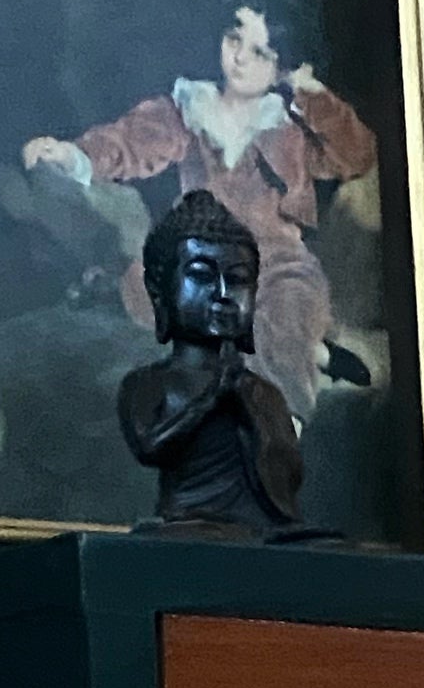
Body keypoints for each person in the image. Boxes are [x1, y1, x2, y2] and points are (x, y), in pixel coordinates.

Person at [23, 5, 372, 420]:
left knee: (291, 302)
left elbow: (355, 157)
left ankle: (282, 418)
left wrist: (312, 94)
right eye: (234, 39)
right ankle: (303, 350)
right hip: (204, 252)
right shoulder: (190, 109)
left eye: (259, 52)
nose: (240, 57)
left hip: (277, 257)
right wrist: (72, 154)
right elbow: (132, 142)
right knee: (172, 298)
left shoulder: (288, 128)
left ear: (282, 67)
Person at [114, 195, 316, 537]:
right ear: (160, 293)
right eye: (202, 276)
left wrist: (250, 407)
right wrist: (212, 397)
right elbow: (150, 446)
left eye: (237, 279)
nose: (223, 293)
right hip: (191, 521)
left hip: (263, 531)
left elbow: (287, 475)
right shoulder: (148, 383)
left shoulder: (263, 392)